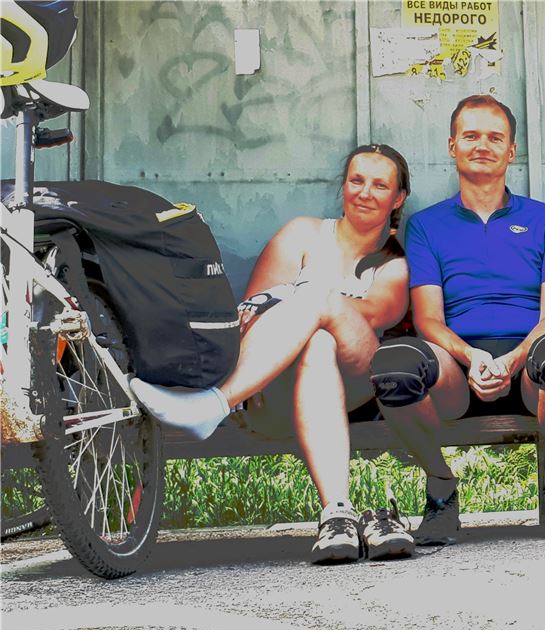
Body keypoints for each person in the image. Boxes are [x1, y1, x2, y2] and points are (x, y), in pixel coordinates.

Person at [130, 144, 417, 563]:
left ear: (398, 198)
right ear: (343, 186)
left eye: (380, 185)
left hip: (357, 382)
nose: (365, 192)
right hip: (281, 387)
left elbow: (366, 315)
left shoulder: (394, 265)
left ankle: (213, 404)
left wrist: (299, 298)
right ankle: (337, 514)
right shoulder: (302, 234)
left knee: (321, 307)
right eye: (356, 180)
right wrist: (297, 308)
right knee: (317, 341)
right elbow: (249, 318)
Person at [368, 95, 545, 545]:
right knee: (393, 366)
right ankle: (440, 486)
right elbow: (428, 318)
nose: (482, 145)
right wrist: (472, 357)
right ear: (452, 145)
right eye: (470, 136)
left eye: (495, 137)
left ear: (512, 151)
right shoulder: (427, 225)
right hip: (454, 367)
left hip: (531, 365)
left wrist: (511, 360)